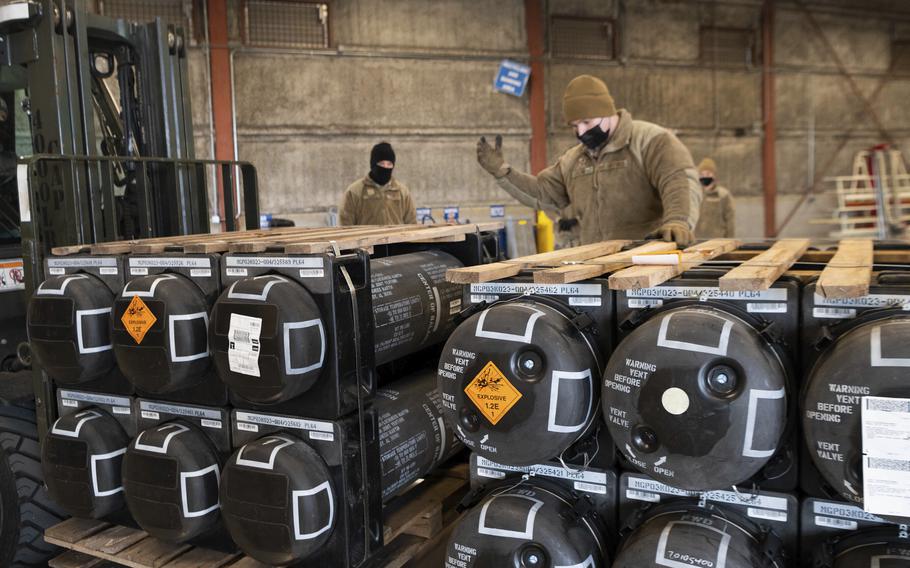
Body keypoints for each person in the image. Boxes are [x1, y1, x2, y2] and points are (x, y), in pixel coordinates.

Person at [476, 74, 701, 245]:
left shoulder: (651, 141)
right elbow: (544, 195)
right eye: (575, 126)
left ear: (608, 112)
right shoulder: (573, 160)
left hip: (646, 261)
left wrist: (678, 220)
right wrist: (503, 172)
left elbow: (678, 180)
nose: (581, 132)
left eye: (587, 122)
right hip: (595, 264)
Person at [339, 142, 416, 226]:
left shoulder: (402, 192)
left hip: (396, 239)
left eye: (389, 164)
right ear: (373, 164)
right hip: (366, 238)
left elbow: (411, 222)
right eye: (382, 163)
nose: (385, 168)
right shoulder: (355, 192)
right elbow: (345, 223)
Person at [694, 158, 735, 238]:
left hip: (717, 242)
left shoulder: (723, 195)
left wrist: (730, 241)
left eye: (708, 173)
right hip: (696, 242)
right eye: (702, 174)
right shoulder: (694, 195)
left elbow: (730, 221)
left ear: (714, 175)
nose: (705, 177)